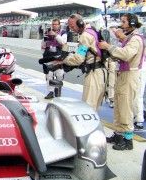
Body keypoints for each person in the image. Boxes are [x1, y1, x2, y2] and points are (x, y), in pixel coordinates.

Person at [99, 13, 144, 150]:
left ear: (131, 23)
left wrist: (108, 47)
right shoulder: (129, 38)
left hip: (129, 75)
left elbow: (126, 54)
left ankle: (128, 140)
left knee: (126, 108)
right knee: (119, 107)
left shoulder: (135, 39)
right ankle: (118, 135)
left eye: (123, 22)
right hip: (122, 74)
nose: (121, 24)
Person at [54, 14, 106, 111]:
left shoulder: (85, 36)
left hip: (94, 74)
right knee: (94, 108)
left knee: (88, 108)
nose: (72, 29)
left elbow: (79, 58)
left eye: (73, 27)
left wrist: (64, 60)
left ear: (80, 23)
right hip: (101, 72)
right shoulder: (93, 30)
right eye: (70, 27)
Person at [41, 19, 67, 99]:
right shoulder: (48, 32)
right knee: (49, 75)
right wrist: (45, 39)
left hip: (59, 57)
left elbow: (63, 42)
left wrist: (55, 35)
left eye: (56, 24)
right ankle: (51, 92)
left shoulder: (63, 33)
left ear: (59, 25)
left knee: (59, 74)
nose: (54, 25)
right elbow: (43, 45)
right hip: (49, 57)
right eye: (53, 24)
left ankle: (57, 89)